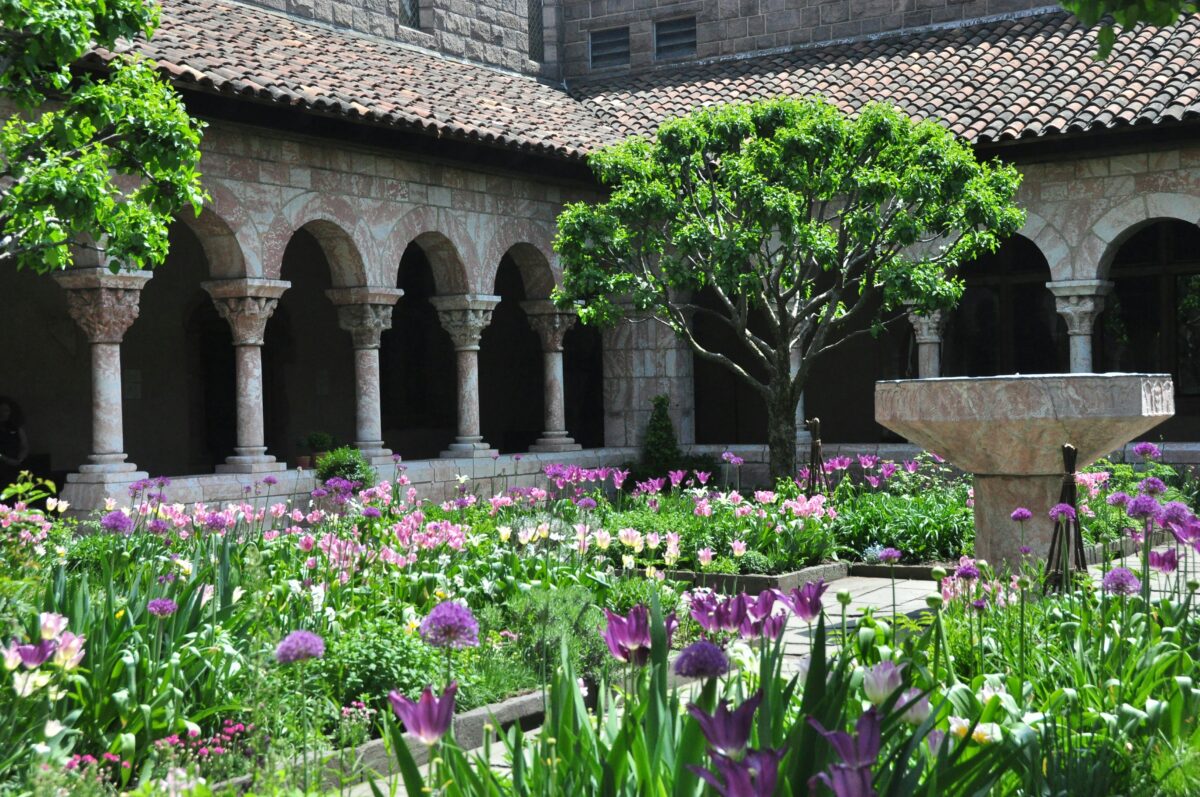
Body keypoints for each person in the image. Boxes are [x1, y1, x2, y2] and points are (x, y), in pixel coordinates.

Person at [0, 397, 29, 488]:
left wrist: (20, 458)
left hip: (15, 466)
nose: (4, 413)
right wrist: (6, 459)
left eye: (6, 410)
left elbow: (24, 444)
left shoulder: (15, 427)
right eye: (1, 410)